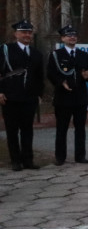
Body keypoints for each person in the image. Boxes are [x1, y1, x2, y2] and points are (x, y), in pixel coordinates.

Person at [1, 20, 46, 170]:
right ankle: (15, 161)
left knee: (27, 130)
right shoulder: (6, 50)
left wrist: (39, 94)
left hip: (29, 98)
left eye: (29, 32)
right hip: (10, 97)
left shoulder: (36, 53)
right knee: (12, 130)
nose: (27, 35)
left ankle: (28, 160)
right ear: (16, 34)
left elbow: (39, 76)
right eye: (23, 32)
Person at [47, 25, 88, 165]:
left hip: (80, 98)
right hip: (63, 98)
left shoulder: (83, 55)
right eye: (69, 35)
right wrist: (61, 82)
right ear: (63, 38)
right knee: (62, 128)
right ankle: (60, 157)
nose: (72, 37)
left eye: (74, 35)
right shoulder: (56, 55)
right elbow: (51, 74)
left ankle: (80, 156)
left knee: (80, 129)